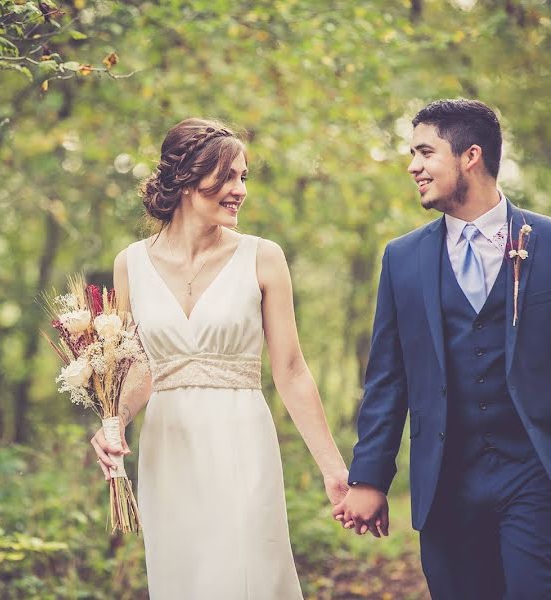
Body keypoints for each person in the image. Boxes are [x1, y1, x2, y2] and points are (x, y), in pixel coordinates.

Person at [333, 99, 551, 599]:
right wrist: (368, 479)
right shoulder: (402, 259)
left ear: (470, 156)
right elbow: (388, 379)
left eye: (425, 152)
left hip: (538, 471)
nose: (413, 166)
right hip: (446, 481)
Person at [89, 117, 348, 599]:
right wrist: (115, 421)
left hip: (241, 441)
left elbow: (290, 370)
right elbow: (142, 366)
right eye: (228, 176)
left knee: (247, 575)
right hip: (169, 449)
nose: (239, 190)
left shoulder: (263, 257)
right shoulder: (131, 264)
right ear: (187, 177)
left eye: (243, 177)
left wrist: (334, 470)